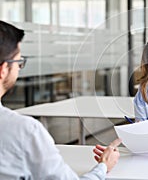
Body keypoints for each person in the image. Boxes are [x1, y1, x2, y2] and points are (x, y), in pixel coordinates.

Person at [0, 20, 120, 179]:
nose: (19, 69)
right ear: (3, 69)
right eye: (18, 62)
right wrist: (104, 166)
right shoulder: (24, 132)